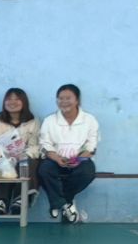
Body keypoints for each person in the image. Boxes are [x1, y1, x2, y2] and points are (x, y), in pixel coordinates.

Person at [36, 84, 99, 223]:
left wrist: (78, 159)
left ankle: (59, 201)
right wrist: (57, 158)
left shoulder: (89, 120)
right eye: (60, 98)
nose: (64, 102)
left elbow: (91, 145)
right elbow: (44, 144)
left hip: (80, 160)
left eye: (68, 98)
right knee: (44, 171)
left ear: (77, 100)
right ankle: (65, 204)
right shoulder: (49, 121)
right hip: (55, 159)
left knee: (87, 173)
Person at [0, 87, 41, 216]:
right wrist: (5, 156)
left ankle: (20, 199)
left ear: (24, 102)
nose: (12, 102)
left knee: (28, 163)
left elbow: (36, 146)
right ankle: (1, 201)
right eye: (9, 99)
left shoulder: (33, 122)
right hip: (1, 159)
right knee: (4, 165)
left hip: (23, 159)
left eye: (17, 99)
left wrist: (23, 155)